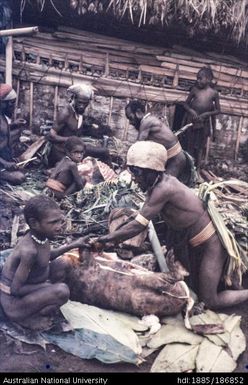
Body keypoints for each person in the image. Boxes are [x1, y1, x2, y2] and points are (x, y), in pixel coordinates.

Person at [91, 141, 248, 310]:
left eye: (137, 172)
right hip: (194, 244)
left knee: (210, 300)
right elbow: (142, 218)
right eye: (132, 171)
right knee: (191, 287)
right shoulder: (156, 186)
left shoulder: (163, 189)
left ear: (152, 172)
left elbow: (138, 226)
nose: (134, 177)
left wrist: (105, 239)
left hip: (211, 245)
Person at [0, 195, 87, 330]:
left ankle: (43, 300)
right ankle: (25, 319)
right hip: (14, 304)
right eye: (53, 222)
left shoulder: (41, 237)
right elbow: (15, 290)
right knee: (62, 291)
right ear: (34, 223)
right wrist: (45, 286)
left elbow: (46, 256)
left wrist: (73, 245)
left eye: (60, 222)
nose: (59, 227)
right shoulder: (29, 251)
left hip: (30, 286)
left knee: (64, 263)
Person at [125, 100, 195, 186]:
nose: (130, 122)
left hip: (176, 159)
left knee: (163, 187)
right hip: (172, 159)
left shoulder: (147, 122)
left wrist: (126, 167)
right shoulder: (148, 121)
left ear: (138, 112)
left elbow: (137, 147)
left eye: (131, 118)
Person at [46, 83, 110, 167]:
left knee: (103, 152)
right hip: (62, 151)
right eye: (80, 102)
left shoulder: (79, 113)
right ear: (73, 98)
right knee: (102, 153)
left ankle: (107, 174)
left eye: (85, 103)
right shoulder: (65, 113)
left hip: (75, 149)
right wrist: (70, 139)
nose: (82, 106)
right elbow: (51, 136)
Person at [182, 66, 220, 173]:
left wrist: (207, 114)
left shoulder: (214, 93)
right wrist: (192, 111)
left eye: (200, 78)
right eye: (197, 78)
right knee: (189, 146)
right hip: (192, 122)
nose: (198, 80)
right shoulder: (195, 90)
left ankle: (197, 171)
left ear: (208, 79)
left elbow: (218, 110)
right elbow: (185, 104)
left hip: (204, 124)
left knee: (199, 148)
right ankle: (188, 170)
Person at [0, 84, 26, 184]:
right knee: (19, 177)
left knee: (22, 171)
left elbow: (3, 133)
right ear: (2, 103)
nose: (14, 106)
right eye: (11, 103)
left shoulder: (2, 116)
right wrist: (5, 163)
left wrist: (14, 124)